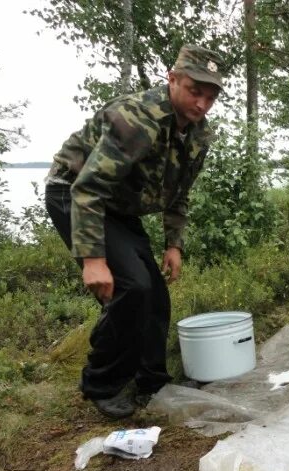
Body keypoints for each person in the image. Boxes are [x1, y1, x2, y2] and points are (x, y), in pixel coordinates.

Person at [44, 45, 224, 419]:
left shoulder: (197, 134)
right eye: (195, 91)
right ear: (172, 80)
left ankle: (151, 381)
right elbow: (88, 189)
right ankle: (102, 383)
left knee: (155, 296)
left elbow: (179, 192)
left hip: (119, 207)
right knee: (132, 287)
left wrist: (174, 244)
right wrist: (94, 260)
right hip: (73, 194)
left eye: (210, 96)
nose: (203, 103)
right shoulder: (137, 119)